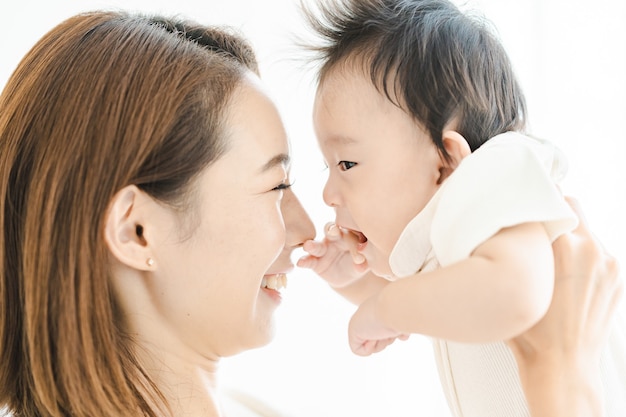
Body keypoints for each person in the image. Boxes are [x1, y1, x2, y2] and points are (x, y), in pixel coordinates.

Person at [0, 8, 620, 417]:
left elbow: (458, 299)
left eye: (343, 167)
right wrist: (563, 379)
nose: (309, 221)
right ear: (138, 231)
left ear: (445, 157)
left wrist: (381, 299)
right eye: (277, 186)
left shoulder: (497, 186)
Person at [297, 0, 626, 416]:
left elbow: (514, 292)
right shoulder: (459, 250)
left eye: (346, 163)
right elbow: (432, 300)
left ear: (445, 161)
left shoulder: (494, 172)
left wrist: (383, 310)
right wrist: (347, 279)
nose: (328, 192)